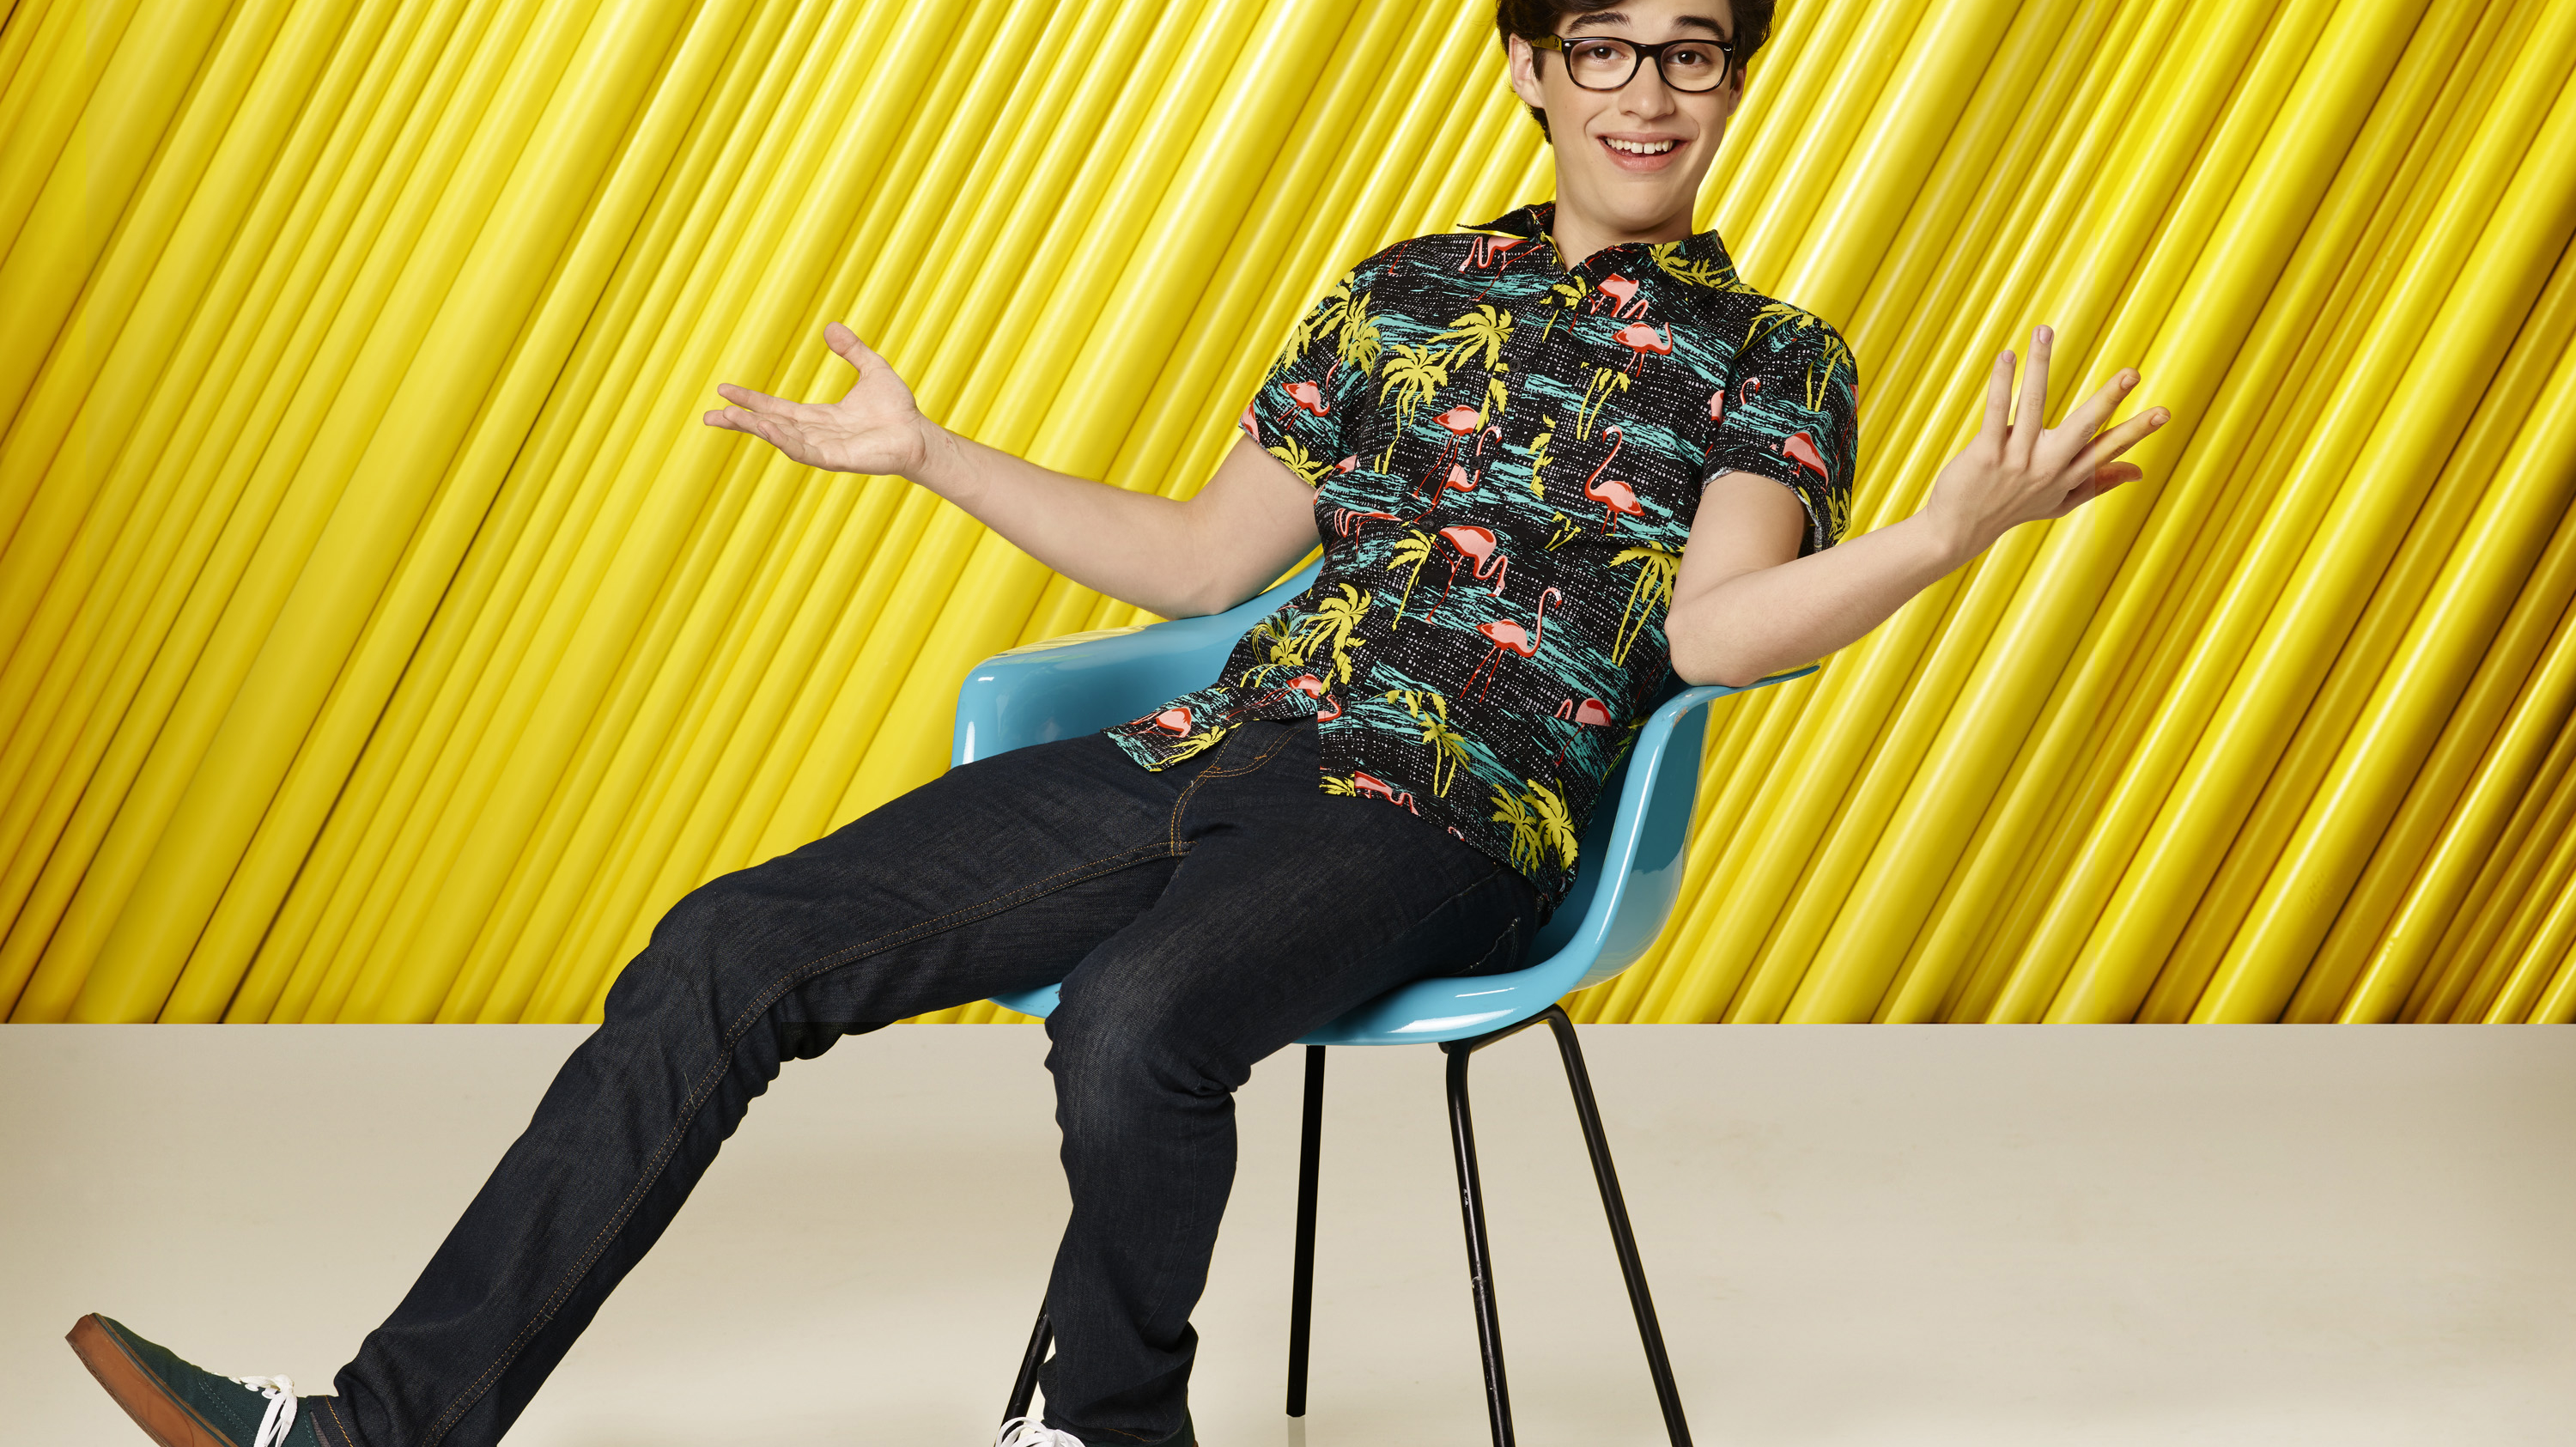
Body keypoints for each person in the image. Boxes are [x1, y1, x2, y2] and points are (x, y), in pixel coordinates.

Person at [65, 1, 2166, 1444]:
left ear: (1730, 85)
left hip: (1454, 802)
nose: (1648, 91)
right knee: (724, 944)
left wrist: (1946, 537)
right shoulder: (1396, 293)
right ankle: (378, 1432)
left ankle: (1106, 1432)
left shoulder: (1770, 352)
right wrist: (929, 455)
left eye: (1691, 53)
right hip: (1218, 746)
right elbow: (1193, 561)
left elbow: (1711, 636)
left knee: (1139, 1022)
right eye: (1605, 47)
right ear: (1533, 69)